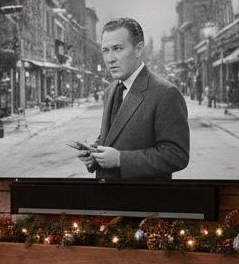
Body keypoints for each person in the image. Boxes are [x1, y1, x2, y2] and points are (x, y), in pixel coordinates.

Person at [74, 17, 189, 181]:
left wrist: (120, 159)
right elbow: (110, 137)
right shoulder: (110, 90)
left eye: (117, 48)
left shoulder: (166, 93)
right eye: (105, 50)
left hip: (142, 202)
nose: (110, 58)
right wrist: (94, 155)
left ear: (139, 49)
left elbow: (177, 155)